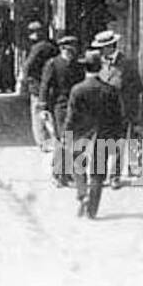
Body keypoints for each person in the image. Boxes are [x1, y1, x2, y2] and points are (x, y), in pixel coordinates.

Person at [65, 51, 123, 220]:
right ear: (100, 67)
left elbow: (71, 117)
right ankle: (92, 210)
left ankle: (82, 194)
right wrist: (116, 137)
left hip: (81, 135)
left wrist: (66, 135)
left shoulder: (77, 90)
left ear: (85, 68)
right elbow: (117, 117)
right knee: (98, 172)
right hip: (103, 136)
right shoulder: (110, 90)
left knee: (78, 167)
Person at [94, 30, 143, 188]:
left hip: (121, 110)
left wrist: (133, 113)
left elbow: (137, 88)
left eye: (103, 48)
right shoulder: (98, 63)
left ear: (111, 46)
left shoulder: (127, 64)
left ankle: (115, 176)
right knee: (101, 141)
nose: (101, 51)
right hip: (102, 110)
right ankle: (100, 176)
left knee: (117, 144)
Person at [40, 35, 84, 186]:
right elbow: (45, 86)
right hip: (60, 106)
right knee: (62, 139)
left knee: (73, 139)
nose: (72, 52)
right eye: (69, 49)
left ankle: (68, 173)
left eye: (74, 49)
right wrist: (43, 106)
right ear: (62, 48)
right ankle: (58, 174)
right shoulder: (53, 64)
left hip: (76, 107)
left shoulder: (78, 66)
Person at [22, 22, 59, 151]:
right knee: (51, 113)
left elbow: (27, 66)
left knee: (38, 114)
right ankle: (53, 140)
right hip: (52, 85)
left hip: (38, 85)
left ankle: (43, 142)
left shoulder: (38, 47)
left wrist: (27, 80)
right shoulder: (53, 45)